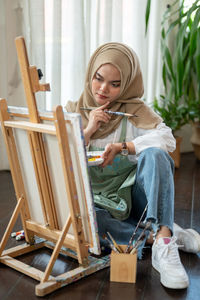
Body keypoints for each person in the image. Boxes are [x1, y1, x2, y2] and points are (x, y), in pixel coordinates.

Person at [65, 42, 200, 289]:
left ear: (126, 84)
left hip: (133, 203)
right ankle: (159, 235)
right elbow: (63, 158)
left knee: (157, 155)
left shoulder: (134, 111)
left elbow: (167, 139)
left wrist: (123, 147)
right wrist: (89, 129)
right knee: (83, 224)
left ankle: (164, 246)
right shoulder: (73, 110)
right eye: (99, 79)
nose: (103, 89)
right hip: (98, 205)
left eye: (115, 84)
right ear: (90, 74)